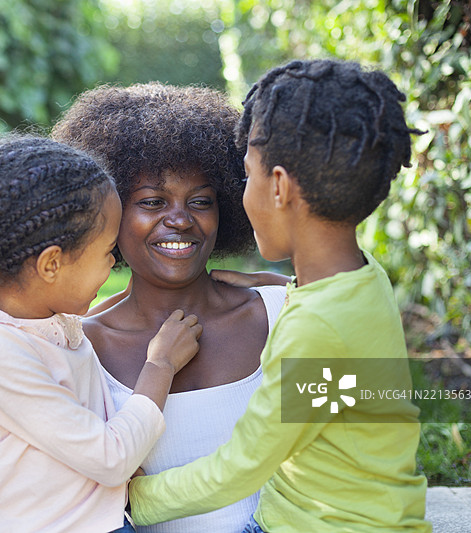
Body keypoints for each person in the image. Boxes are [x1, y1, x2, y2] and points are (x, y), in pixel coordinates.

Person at [127, 60, 430, 532]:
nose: (241, 193)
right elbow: (341, 375)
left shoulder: (314, 328)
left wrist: (138, 500)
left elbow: (242, 465)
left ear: (280, 187)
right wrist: (285, 289)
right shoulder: (365, 280)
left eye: (247, 176)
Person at [0, 134, 204, 533]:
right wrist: (160, 365)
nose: (113, 263)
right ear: (51, 265)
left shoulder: (52, 325)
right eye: (107, 251)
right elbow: (112, 459)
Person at [52, 83, 288, 532]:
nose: (180, 219)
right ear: (110, 213)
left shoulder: (279, 314)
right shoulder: (80, 343)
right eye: (153, 202)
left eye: (200, 201)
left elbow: (348, 433)